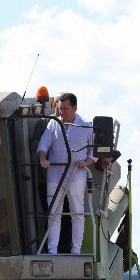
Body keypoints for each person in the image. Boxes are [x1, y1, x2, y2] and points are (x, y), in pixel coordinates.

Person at [36, 92, 96, 254]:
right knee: (54, 213)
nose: (62, 112)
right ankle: (52, 251)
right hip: (55, 173)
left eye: (65, 109)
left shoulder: (86, 126)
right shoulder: (53, 124)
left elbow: (94, 152)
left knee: (77, 213)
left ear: (75, 108)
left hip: (76, 174)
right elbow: (43, 144)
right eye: (60, 108)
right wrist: (43, 159)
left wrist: (86, 162)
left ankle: (76, 251)